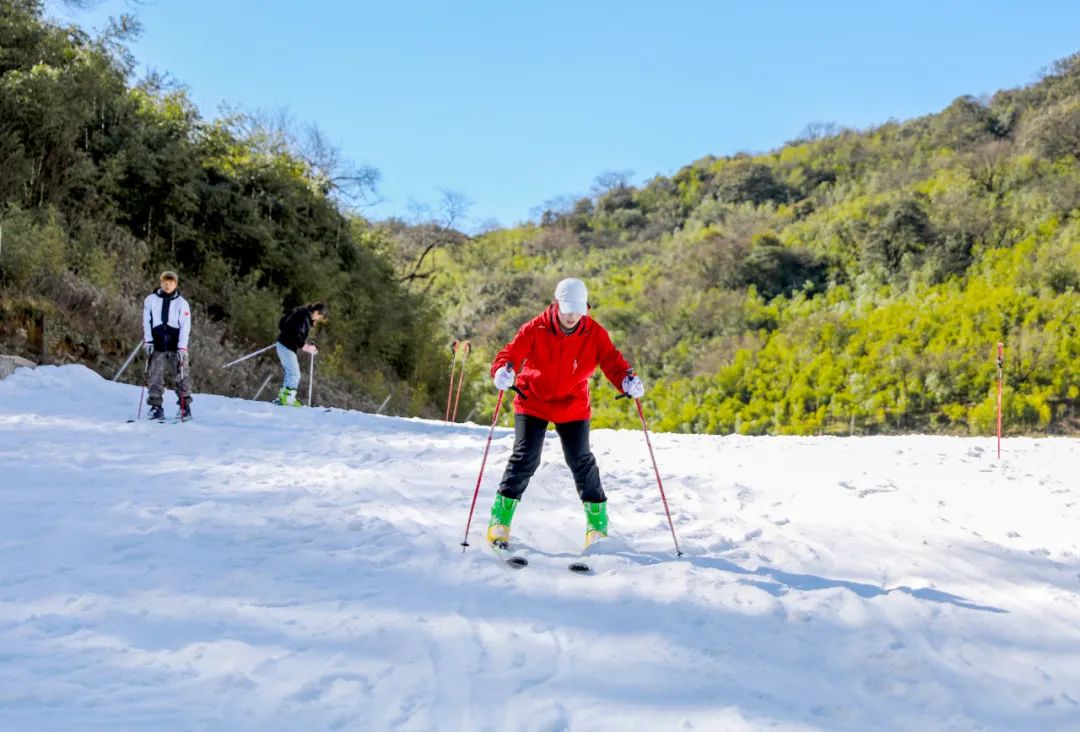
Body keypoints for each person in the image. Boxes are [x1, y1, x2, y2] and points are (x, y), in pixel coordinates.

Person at [486, 277, 645, 551]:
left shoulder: (594, 332)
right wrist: (502, 371)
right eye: (567, 309)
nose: (571, 316)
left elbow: (612, 361)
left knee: (581, 461)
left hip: (572, 403)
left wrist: (627, 380)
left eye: (577, 310)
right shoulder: (534, 328)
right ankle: (499, 521)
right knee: (526, 457)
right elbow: (510, 354)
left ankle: (597, 526)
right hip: (533, 399)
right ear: (555, 304)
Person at [142, 270, 193, 420]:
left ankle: (185, 407)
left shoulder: (182, 303)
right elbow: (147, 321)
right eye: (165, 281)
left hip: (176, 343)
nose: (167, 284)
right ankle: (155, 406)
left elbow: (185, 326)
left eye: (171, 282)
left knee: (181, 375)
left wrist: (182, 346)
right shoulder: (151, 300)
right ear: (161, 282)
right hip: (157, 343)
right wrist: (148, 341)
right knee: (155, 375)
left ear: (175, 284)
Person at [275, 302, 328, 406]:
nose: (318, 320)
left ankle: (283, 397)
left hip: (284, 344)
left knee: (291, 373)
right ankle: (288, 398)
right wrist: (306, 347)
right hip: (286, 346)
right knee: (295, 374)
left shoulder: (303, 314)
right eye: (320, 317)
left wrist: (307, 345)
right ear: (317, 312)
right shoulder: (304, 318)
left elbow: (289, 328)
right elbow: (296, 334)